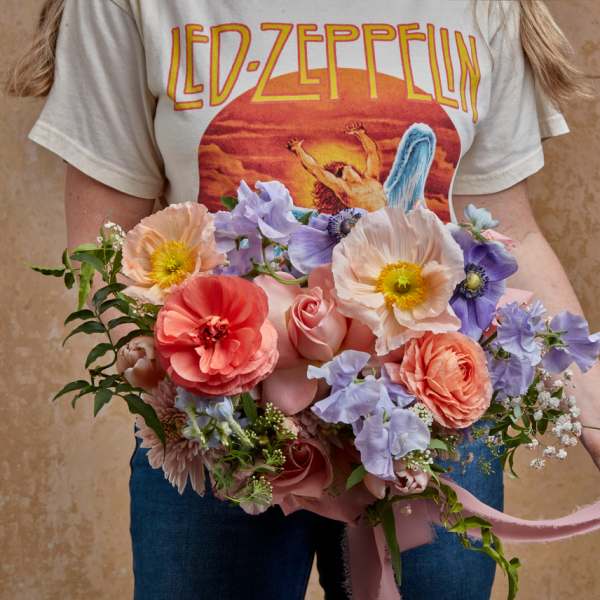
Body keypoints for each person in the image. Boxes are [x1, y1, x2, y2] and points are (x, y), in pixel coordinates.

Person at [8, 1, 600, 599]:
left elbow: (508, 233)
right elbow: (105, 238)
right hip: (224, 441)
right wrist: (193, 404)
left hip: (426, 441)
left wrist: (596, 419)